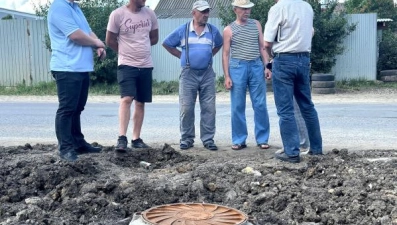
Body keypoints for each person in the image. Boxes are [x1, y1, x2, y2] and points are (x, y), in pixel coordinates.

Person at [264, 0, 323, 163]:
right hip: (304, 58)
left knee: (285, 109)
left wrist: (270, 58)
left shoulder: (278, 8)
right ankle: (316, 148)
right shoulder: (307, 7)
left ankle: (291, 152)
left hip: (284, 59)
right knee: (307, 106)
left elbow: (267, 41)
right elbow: (311, 32)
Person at [48, 0, 106, 161]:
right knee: (67, 109)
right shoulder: (59, 6)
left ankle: (78, 143)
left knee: (77, 108)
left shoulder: (75, 8)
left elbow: (88, 32)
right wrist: (96, 43)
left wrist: (98, 45)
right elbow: (75, 35)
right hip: (67, 67)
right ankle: (65, 148)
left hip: (81, 67)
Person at [162, 0, 223, 151]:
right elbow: (166, 43)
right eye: (202, 12)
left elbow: (219, 44)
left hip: (207, 73)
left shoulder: (213, 31)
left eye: (207, 11)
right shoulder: (183, 30)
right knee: (186, 107)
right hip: (188, 74)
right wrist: (182, 56)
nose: (206, 15)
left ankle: (208, 139)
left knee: (209, 108)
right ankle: (187, 139)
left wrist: (209, 55)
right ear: (193, 13)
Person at [106, 0, 159, 152]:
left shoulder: (150, 13)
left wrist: (141, 46)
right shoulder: (117, 14)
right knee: (126, 98)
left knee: (140, 102)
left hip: (146, 65)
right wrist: (125, 51)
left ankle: (136, 138)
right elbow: (109, 40)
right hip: (126, 65)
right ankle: (122, 138)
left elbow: (154, 38)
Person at [222, 0, 271, 151]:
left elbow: (262, 47)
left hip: (256, 66)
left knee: (260, 104)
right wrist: (227, 76)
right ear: (235, 10)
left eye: (248, 8)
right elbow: (225, 54)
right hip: (237, 67)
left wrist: (267, 66)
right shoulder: (229, 30)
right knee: (237, 105)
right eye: (243, 9)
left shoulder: (256, 24)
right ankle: (239, 139)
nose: (246, 11)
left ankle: (262, 138)